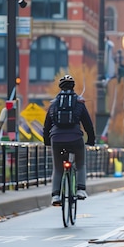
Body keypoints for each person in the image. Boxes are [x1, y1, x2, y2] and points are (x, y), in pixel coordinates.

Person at [43, 74, 96, 206]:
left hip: (56, 138)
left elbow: (46, 126)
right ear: (73, 87)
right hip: (75, 138)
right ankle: (80, 190)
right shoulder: (79, 103)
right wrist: (91, 140)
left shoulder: (54, 104)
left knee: (58, 168)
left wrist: (47, 142)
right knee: (80, 164)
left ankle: (55, 196)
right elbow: (88, 125)